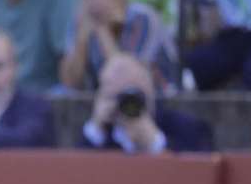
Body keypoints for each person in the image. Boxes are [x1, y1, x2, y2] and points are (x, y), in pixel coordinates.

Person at [60, 0, 178, 90]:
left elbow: (127, 82)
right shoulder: (81, 18)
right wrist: (81, 40)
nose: (93, 1)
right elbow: (69, 83)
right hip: (107, 101)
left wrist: (102, 30)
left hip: (160, 100)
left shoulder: (142, 18)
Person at [78, 51, 211, 152]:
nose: (128, 102)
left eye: (133, 92)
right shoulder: (101, 135)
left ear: (149, 90)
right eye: (116, 94)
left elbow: (199, 176)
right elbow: (75, 176)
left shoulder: (188, 129)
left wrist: (156, 143)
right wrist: (95, 129)